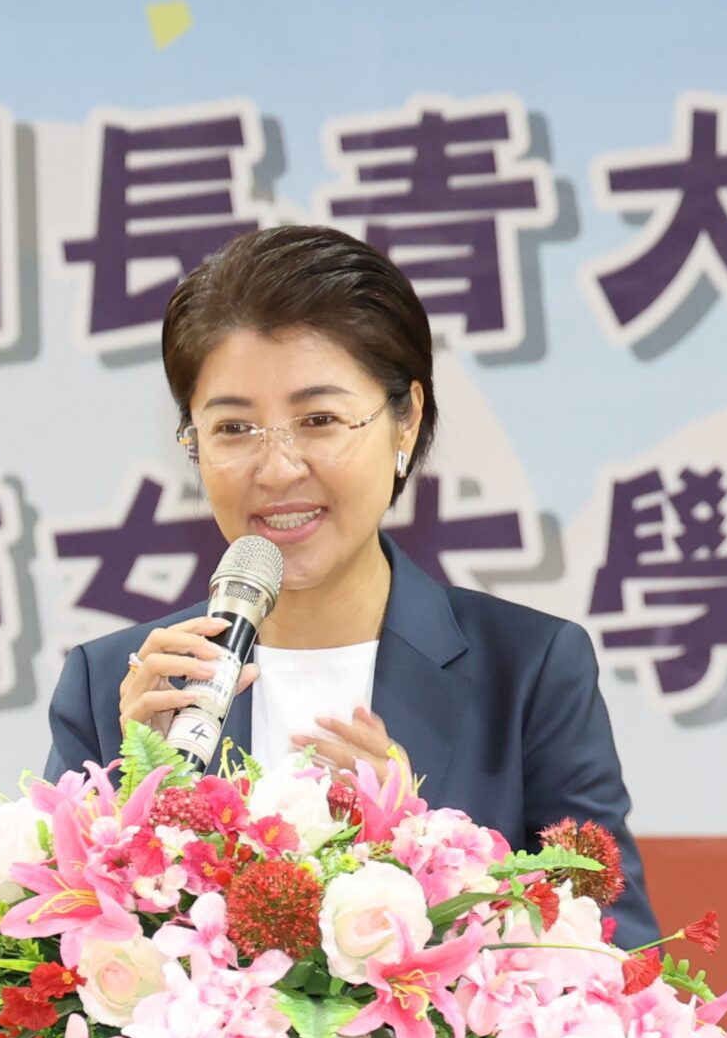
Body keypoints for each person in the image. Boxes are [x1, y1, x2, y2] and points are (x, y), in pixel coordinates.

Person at [44, 225, 661, 947]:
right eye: (234, 428)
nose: (277, 469)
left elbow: (615, 957)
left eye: (319, 420)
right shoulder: (115, 688)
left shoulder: (527, 673)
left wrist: (420, 846)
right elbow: (43, 966)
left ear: (406, 421)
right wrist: (136, 789)